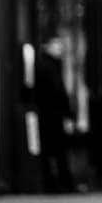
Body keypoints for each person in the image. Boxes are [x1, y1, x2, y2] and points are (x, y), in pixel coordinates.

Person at [34, 36, 76, 193]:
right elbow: (57, 92)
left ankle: (57, 182)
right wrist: (67, 113)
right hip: (51, 115)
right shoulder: (48, 67)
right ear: (47, 46)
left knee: (55, 150)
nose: (61, 49)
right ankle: (58, 182)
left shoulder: (51, 66)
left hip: (51, 114)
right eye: (57, 45)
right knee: (56, 150)